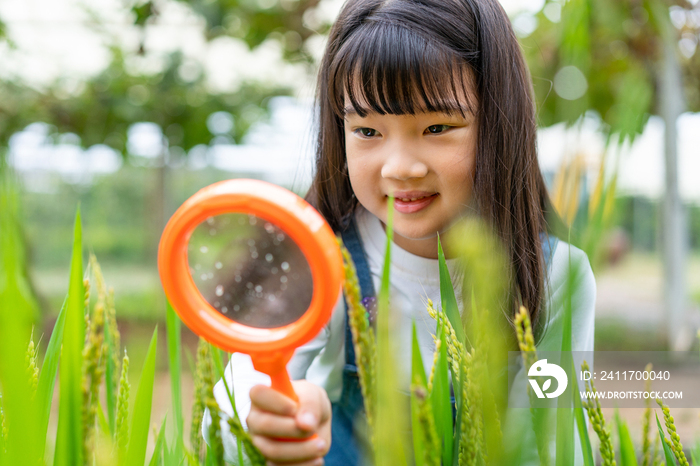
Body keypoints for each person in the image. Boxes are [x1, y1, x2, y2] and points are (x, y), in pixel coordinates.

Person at [202, 0, 596, 463]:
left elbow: (550, 442)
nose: (400, 168)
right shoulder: (321, 259)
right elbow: (231, 409)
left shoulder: (557, 275)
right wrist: (277, 425)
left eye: (436, 126)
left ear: (497, 125)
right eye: (367, 131)